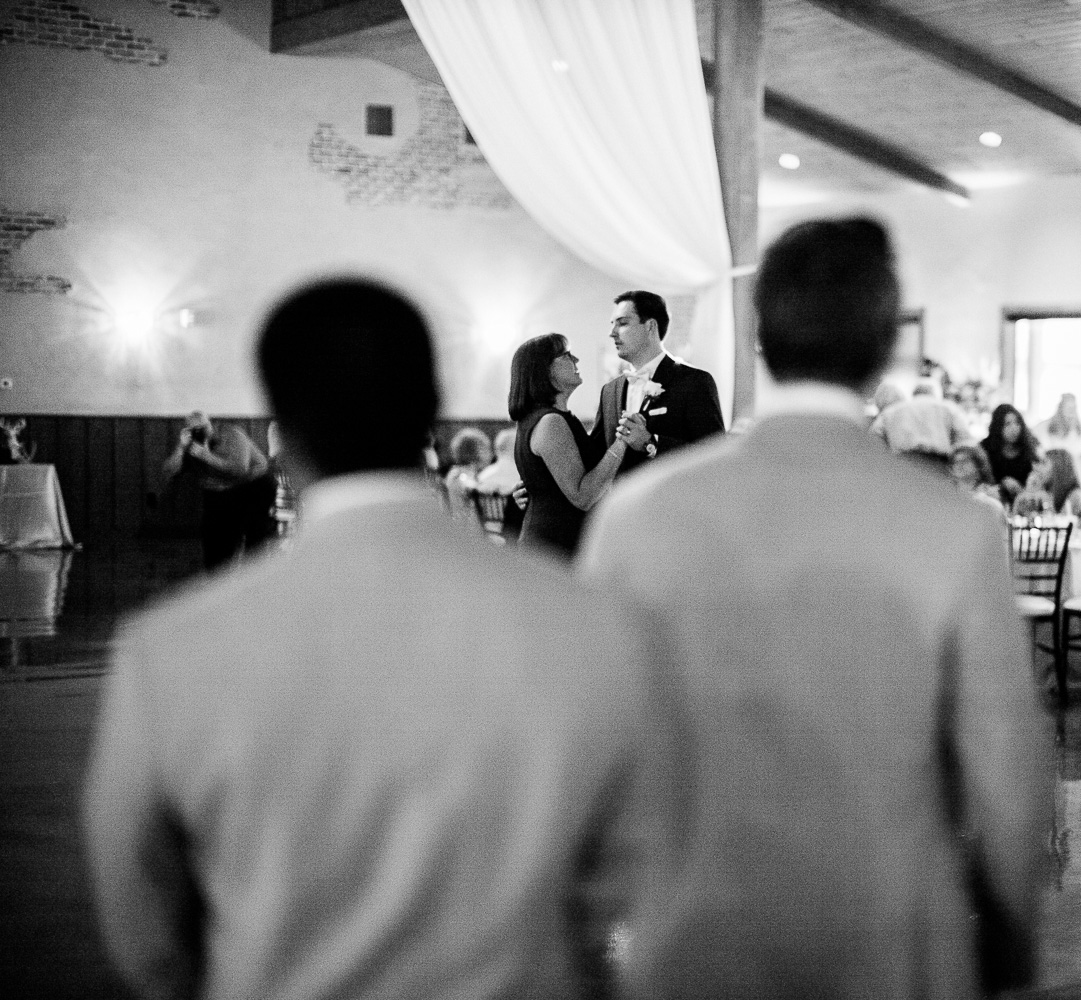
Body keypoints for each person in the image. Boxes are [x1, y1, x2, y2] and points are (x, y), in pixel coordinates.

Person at [84, 278, 681, 1000]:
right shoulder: (593, 627)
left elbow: (142, 927)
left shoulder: (170, 649)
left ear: (284, 433)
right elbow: (643, 884)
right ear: (428, 415)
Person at [579, 217, 1049, 1000]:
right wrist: (1010, 935)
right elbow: (1003, 764)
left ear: (761, 335)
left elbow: (590, 745)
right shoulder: (952, 526)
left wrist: (591, 929)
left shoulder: (640, 517)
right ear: (879, 346)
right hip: (891, 941)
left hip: (692, 939)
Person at [511, 333, 637, 559]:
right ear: (545, 370)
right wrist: (622, 441)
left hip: (557, 540)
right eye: (566, 355)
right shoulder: (551, 422)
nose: (576, 360)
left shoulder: (553, 418)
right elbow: (583, 496)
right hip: (553, 546)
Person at [589, 290, 726, 476]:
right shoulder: (610, 390)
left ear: (650, 326)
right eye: (612, 324)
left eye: (622, 323)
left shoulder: (694, 382)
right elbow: (594, 454)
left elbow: (714, 454)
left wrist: (650, 442)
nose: (612, 333)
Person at [161, 410, 277, 569]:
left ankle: (256, 573)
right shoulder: (191, 445)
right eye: (194, 429)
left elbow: (239, 469)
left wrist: (206, 456)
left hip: (255, 485)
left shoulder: (232, 435)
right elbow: (168, 471)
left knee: (254, 538)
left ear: (210, 424)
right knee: (216, 539)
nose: (200, 432)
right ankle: (218, 572)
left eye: (202, 427)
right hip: (222, 491)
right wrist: (180, 448)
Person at [869, 377, 975, 471]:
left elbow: (874, 438)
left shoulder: (891, 411)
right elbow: (965, 440)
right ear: (937, 393)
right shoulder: (949, 408)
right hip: (938, 464)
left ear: (914, 393)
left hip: (901, 463)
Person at [980, 403, 1040, 504]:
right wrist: (1001, 484)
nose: (1014, 428)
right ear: (998, 427)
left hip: (1025, 502)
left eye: (1017, 423)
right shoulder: (985, 449)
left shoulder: (1029, 447)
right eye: (1007, 424)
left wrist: (1022, 489)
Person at [442, 426, 493, 513]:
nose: (492, 454)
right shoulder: (459, 474)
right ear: (479, 451)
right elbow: (468, 485)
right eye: (488, 449)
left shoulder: (462, 472)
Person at [949, 444, 1006, 514]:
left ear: (978, 465)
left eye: (965, 461)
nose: (959, 465)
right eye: (955, 462)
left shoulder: (990, 495)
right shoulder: (947, 494)